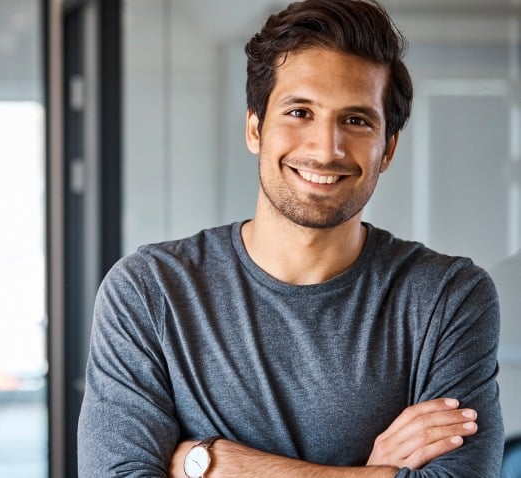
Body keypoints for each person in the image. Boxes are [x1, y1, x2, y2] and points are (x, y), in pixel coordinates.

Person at [77, 0, 504, 476]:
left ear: (388, 150)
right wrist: (372, 473)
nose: (326, 149)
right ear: (255, 128)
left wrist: (214, 464)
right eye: (300, 112)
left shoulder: (446, 296)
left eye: (357, 120)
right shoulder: (150, 290)